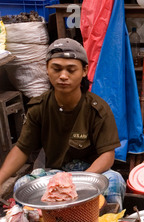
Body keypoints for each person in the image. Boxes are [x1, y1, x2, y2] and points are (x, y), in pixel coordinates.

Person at [0, 38, 126, 209]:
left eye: (71, 70)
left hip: (91, 173)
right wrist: (1, 178)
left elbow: (107, 156)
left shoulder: (98, 109)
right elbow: (22, 149)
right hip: (55, 173)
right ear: (47, 69)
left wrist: (78, 183)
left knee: (115, 181)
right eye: (57, 69)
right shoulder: (39, 107)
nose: (63, 76)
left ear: (84, 71)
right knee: (22, 185)